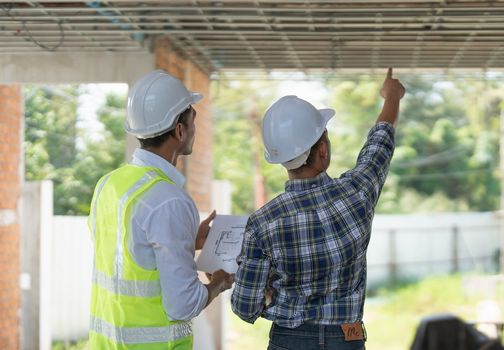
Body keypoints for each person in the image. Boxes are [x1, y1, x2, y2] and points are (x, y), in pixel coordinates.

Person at [231, 68, 405, 350]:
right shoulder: (357, 193)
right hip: (346, 338)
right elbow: (379, 144)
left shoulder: (263, 223)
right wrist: (392, 97)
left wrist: (272, 297)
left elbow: (244, 306)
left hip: (289, 340)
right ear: (322, 150)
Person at [87, 70, 233, 349]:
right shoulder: (170, 200)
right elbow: (183, 305)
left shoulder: (108, 184)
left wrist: (188, 241)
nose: (193, 130)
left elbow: (131, 257)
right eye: (193, 122)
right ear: (180, 130)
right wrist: (220, 283)